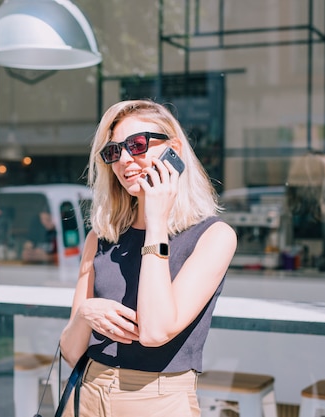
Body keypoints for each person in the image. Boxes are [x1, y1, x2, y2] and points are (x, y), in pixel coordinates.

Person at [59, 99, 237, 417]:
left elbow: (155, 332)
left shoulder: (213, 236)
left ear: (175, 150)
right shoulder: (100, 237)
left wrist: (155, 222)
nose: (125, 160)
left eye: (137, 144)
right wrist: (85, 314)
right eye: (113, 152)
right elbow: (71, 352)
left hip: (157, 400)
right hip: (87, 392)